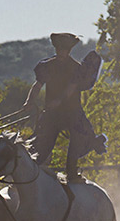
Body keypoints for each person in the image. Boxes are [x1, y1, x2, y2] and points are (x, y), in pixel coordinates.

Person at [20, 32, 107, 183]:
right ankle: (29, 174)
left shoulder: (76, 68)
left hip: (72, 113)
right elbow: (38, 85)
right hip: (52, 114)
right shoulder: (47, 66)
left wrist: (58, 102)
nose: (60, 52)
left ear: (68, 51)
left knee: (78, 138)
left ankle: (72, 174)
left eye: (63, 50)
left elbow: (71, 89)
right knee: (41, 144)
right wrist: (29, 102)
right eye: (58, 49)